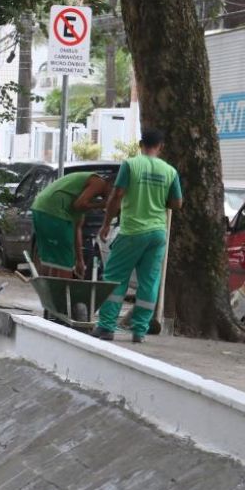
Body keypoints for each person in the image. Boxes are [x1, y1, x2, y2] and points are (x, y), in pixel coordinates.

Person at [93, 129, 183, 343]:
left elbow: (117, 195)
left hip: (133, 231)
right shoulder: (169, 171)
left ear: (140, 144)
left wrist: (106, 224)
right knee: (149, 282)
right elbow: (177, 203)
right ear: (160, 147)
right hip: (158, 233)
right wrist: (160, 201)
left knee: (115, 278)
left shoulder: (131, 165)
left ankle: (106, 326)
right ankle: (140, 330)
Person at [31, 171, 113, 278]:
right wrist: (101, 204)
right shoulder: (99, 182)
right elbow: (79, 204)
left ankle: (53, 293)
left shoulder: (81, 194)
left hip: (41, 209)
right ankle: (65, 293)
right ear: (111, 185)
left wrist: (80, 260)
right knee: (66, 263)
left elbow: (77, 228)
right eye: (114, 194)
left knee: (57, 262)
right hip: (53, 210)